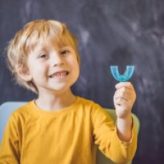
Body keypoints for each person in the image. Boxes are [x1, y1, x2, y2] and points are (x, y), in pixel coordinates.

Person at [0, 19, 137, 164]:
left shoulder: (91, 113)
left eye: (64, 52)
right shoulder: (18, 119)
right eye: (43, 56)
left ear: (77, 60)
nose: (58, 61)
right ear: (25, 71)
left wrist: (123, 117)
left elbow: (122, 156)